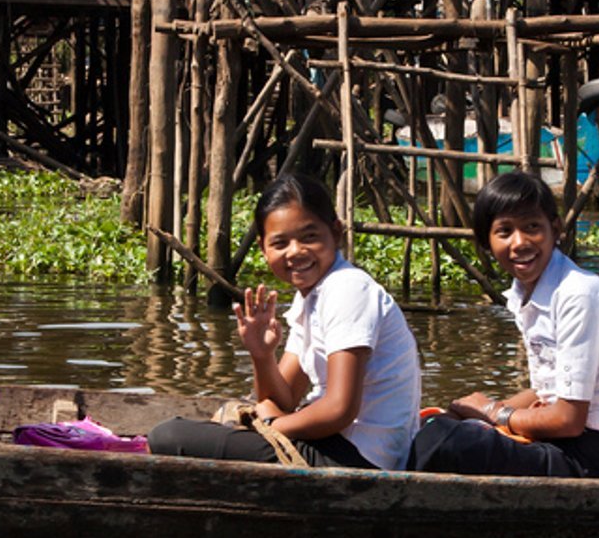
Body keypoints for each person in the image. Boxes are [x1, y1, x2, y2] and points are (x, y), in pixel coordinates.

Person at [147, 171, 420, 469]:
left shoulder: (347, 289)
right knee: (229, 418)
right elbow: (283, 399)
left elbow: (340, 409)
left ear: (336, 233)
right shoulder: (312, 297)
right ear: (263, 249)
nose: (296, 252)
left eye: (310, 237)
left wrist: (272, 428)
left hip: (359, 458)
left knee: (168, 435)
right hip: (336, 446)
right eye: (280, 243)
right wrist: (262, 354)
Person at [409, 171, 599, 478]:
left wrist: (493, 412)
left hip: (590, 453)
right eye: (504, 231)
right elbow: (545, 390)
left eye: (532, 227)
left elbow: (569, 420)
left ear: (556, 229)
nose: (520, 242)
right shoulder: (527, 293)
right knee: (434, 425)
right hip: (562, 440)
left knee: (444, 441)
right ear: (486, 242)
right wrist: (478, 413)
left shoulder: (577, 295)